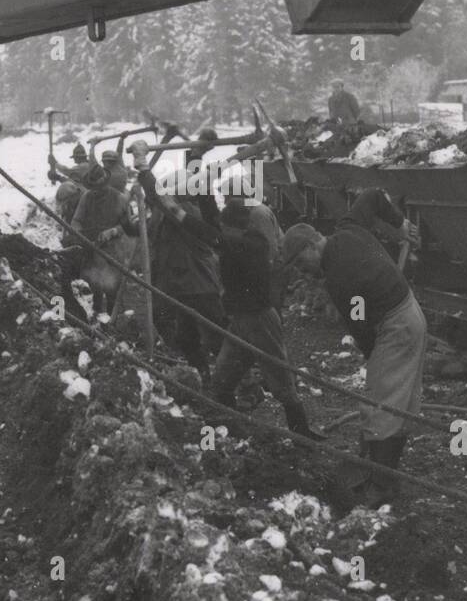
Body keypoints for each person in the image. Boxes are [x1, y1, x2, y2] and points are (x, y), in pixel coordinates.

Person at [282, 208, 426, 510]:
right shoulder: (347, 226)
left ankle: (381, 485)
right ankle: (383, 472)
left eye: (299, 262)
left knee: (382, 404)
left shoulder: (340, 281)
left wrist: (375, 362)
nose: (301, 271)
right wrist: (400, 224)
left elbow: (362, 331)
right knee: (398, 401)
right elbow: (372, 197)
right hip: (410, 311)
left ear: (311, 246)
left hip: (395, 326)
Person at [212, 198, 318, 437]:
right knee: (222, 376)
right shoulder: (240, 241)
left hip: (260, 320)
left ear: (231, 226)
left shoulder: (249, 245)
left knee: (280, 378)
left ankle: (301, 433)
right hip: (240, 319)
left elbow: (209, 231)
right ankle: (232, 428)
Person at [133, 133, 225, 377]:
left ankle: (245, 385)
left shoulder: (184, 212)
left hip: (199, 285)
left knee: (219, 338)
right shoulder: (175, 211)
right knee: (186, 338)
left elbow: (159, 197)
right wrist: (196, 155)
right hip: (180, 287)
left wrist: (143, 168)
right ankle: (202, 375)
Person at [70, 164, 139, 314]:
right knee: (92, 288)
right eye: (94, 188)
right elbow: (76, 221)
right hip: (92, 248)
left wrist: (113, 231)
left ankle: (112, 320)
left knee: (112, 289)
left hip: (113, 251)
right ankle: (95, 317)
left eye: (99, 187)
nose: (96, 191)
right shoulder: (87, 197)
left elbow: (128, 227)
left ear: (105, 184)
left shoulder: (119, 199)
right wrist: (78, 233)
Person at [49, 142, 91, 225]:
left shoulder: (84, 166)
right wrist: (59, 178)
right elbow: (72, 180)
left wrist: (55, 164)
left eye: (75, 157)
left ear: (78, 157)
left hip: (86, 195)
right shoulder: (85, 166)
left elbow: (68, 172)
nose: (74, 159)